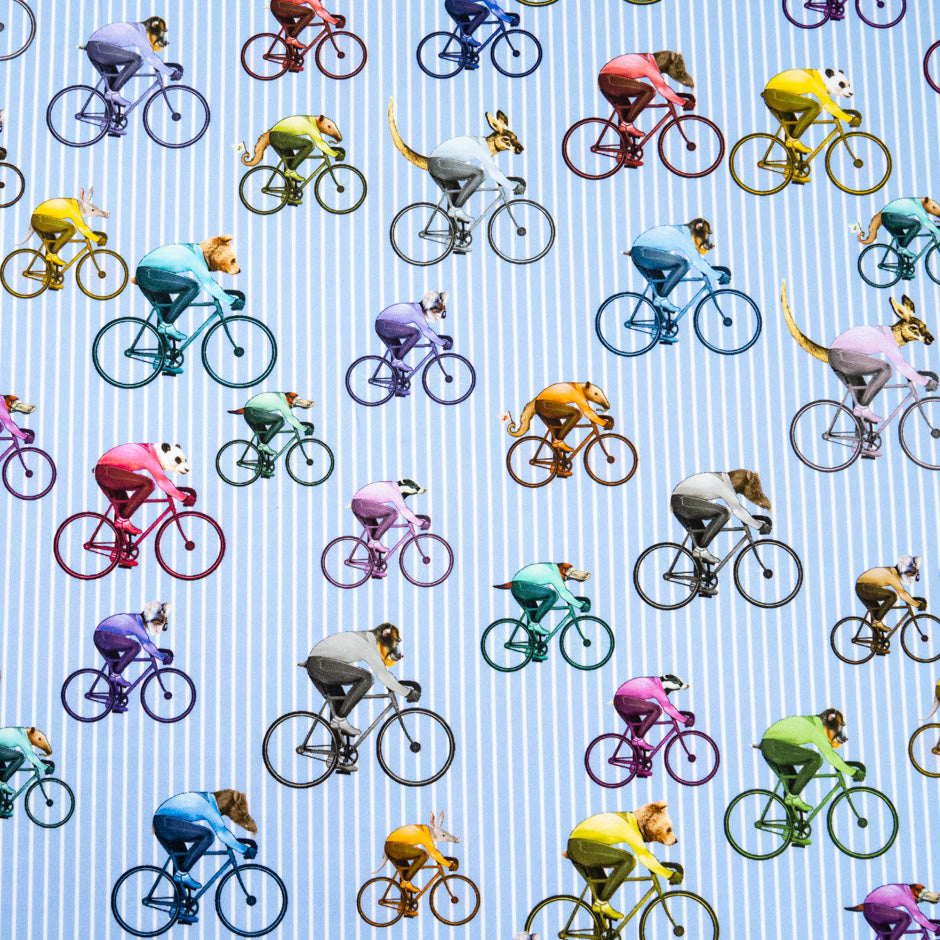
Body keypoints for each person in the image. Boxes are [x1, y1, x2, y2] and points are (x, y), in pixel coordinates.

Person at [152, 789, 257, 921]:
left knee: (182, 860)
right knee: (207, 835)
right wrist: (244, 850)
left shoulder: (207, 799)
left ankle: (176, 908)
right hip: (165, 822)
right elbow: (221, 831)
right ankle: (182, 874)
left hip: (162, 823)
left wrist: (236, 843)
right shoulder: (207, 805)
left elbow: (223, 831)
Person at [302, 623, 415, 743]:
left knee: (340, 705)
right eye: (395, 642)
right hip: (321, 664)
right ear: (385, 634)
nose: (395, 647)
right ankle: (340, 720)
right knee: (367, 678)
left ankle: (335, 756)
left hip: (317, 665)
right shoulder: (368, 644)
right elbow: (382, 674)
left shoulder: (364, 638)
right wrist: (407, 692)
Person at [566, 804, 682, 921]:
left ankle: (600, 932)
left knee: (601, 889)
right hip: (581, 846)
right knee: (628, 860)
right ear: (650, 822)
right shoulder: (628, 827)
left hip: (579, 847)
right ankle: (601, 904)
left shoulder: (627, 820)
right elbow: (644, 856)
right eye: (668, 830)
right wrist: (669, 874)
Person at [759, 708, 863, 824]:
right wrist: (853, 772)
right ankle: (793, 797)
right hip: (774, 746)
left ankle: (791, 831)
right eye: (838, 727)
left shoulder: (813, 723)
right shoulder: (815, 728)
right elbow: (829, 755)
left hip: (771, 746)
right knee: (816, 759)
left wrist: (844, 766)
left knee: (792, 785)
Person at [135, 237, 242, 348]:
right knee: (193, 287)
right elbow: (208, 284)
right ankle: (167, 325)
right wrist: (232, 301)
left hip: (147, 275)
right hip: (148, 274)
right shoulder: (194, 256)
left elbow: (210, 283)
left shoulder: (196, 251)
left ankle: (162, 359)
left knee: (166, 313)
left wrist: (224, 295)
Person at [670, 470, 771, 576]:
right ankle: (701, 549)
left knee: (700, 536)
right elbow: (737, 510)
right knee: (724, 513)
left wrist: (751, 520)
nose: (735, 493)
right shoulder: (721, 485)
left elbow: (739, 509)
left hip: (679, 502)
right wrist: (760, 526)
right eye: (739, 490)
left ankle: (698, 583)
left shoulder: (721, 478)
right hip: (682, 501)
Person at [598, 52, 695, 162]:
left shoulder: (648, 59)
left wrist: (677, 97)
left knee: (627, 113)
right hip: (609, 80)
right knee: (649, 91)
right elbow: (662, 88)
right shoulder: (648, 65)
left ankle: (622, 155)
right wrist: (683, 103)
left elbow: (663, 87)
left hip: (608, 80)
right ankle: (627, 125)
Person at [762, 68, 856, 179]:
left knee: (793, 128)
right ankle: (793, 140)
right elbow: (827, 104)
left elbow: (830, 103)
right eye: (842, 85)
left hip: (774, 95)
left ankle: (790, 171)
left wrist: (841, 113)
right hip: (775, 95)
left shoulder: (817, 76)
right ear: (830, 75)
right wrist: (849, 119)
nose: (849, 91)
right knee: (815, 107)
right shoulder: (815, 79)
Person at [94, 443, 192, 542]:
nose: (186, 467)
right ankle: (123, 521)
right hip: (107, 471)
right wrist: (185, 498)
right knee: (148, 484)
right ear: (166, 450)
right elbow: (162, 481)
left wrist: (176, 492)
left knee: (123, 509)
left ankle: (117, 552)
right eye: (178, 461)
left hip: (106, 471)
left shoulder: (150, 450)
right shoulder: (149, 456)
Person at [630, 218, 725, 314]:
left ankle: (659, 326)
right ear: (697, 229)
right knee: (683, 264)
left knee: (661, 288)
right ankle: (661, 299)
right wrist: (719, 276)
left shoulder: (682, 231)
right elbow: (697, 261)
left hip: (640, 253)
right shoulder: (683, 236)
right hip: (643, 253)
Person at [84, 17, 174, 110]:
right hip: (98, 48)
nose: (159, 36)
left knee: (113, 83)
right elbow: (151, 58)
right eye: (159, 33)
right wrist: (171, 72)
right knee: (137, 60)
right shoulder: (138, 33)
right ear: (153, 26)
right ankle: (113, 93)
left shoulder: (137, 28)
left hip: (95, 49)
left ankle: (107, 121)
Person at [94, 603, 172, 706]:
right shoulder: (136, 624)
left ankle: (112, 702)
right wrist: (163, 657)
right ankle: (116, 676)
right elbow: (146, 644)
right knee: (135, 647)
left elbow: (147, 643)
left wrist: (159, 653)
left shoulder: (137, 620)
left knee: (115, 665)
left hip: (102, 636)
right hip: (103, 636)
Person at [493, 562, 591, 634]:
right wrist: (580, 605)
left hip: (518, 588)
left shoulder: (551, 568)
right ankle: (534, 624)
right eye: (567, 577)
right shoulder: (553, 573)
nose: (565, 580)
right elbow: (564, 593)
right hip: (522, 586)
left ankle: (532, 650)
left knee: (533, 616)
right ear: (563, 571)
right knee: (552, 595)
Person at [349, 479, 429, 566]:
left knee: (374, 532)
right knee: (393, 513)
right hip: (361, 503)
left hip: (358, 504)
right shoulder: (394, 491)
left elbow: (404, 509)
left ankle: (371, 567)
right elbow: (404, 511)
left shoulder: (393, 487)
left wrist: (415, 519)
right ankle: (374, 541)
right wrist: (421, 523)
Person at [612, 675, 690, 763]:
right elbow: (667, 707)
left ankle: (636, 766)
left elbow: (668, 705)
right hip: (624, 700)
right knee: (656, 710)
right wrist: (685, 720)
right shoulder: (655, 687)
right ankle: (638, 739)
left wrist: (679, 716)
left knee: (637, 730)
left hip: (621, 701)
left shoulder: (655, 682)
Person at [228, 393, 315, 467]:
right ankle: (263, 445)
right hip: (253, 412)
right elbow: (290, 418)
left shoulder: (280, 397)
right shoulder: (281, 400)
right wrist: (304, 429)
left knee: (264, 436)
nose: (291, 407)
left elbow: (295, 405)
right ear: (289, 400)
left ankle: (261, 467)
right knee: (279, 420)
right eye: (291, 405)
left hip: (250, 413)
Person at [375, 291, 449, 374]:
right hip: (384, 325)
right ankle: (398, 361)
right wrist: (443, 343)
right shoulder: (417, 312)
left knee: (398, 352)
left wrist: (437, 339)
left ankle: (395, 384)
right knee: (416, 334)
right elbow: (426, 331)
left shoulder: (417, 308)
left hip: (382, 325)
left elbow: (427, 330)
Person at [855, 556, 924, 638]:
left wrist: (912, 601)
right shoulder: (891, 575)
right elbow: (902, 593)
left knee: (877, 613)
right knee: (892, 596)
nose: (910, 575)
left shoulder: (892, 572)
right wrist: (918, 605)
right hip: (863, 587)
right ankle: (877, 622)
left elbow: (903, 592)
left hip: (862, 588)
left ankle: (876, 644)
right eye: (911, 572)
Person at [845, 884, 940, 940]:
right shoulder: (906, 895)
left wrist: (928, 923)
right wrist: (935, 929)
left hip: (871, 911)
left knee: (888, 937)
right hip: (874, 909)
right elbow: (917, 915)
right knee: (905, 918)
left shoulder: (903, 889)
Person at [0, 727, 53, 813]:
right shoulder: (20, 736)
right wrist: (45, 767)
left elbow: (31, 753)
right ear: (31, 732)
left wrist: (39, 762)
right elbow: (30, 755)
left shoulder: (22, 733)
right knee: (20, 757)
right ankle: (2, 783)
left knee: (4, 772)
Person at [270, 0, 338, 50]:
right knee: (310, 13)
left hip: (276, 5)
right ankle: (292, 38)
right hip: (280, 5)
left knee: (291, 30)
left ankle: (289, 61)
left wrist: (330, 18)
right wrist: (336, 22)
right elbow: (320, 11)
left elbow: (320, 8)